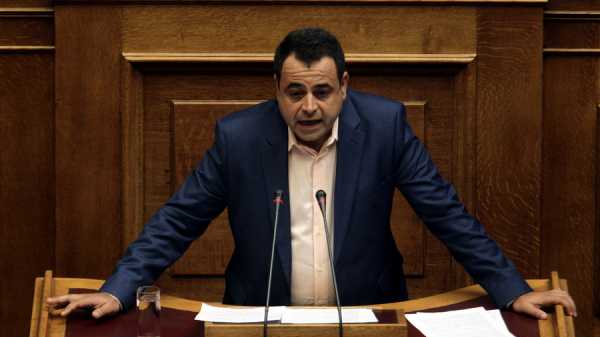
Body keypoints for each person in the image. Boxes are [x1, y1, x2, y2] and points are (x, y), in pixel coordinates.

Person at [48, 27, 576, 320]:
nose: (308, 107)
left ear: (344, 86)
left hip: (369, 313)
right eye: (294, 92)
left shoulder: (386, 127)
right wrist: (119, 288)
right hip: (263, 320)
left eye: (322, 92)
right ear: (276, 89)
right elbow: (177, 220)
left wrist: (511, 289)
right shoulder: (239, 138)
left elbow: (446, 214)